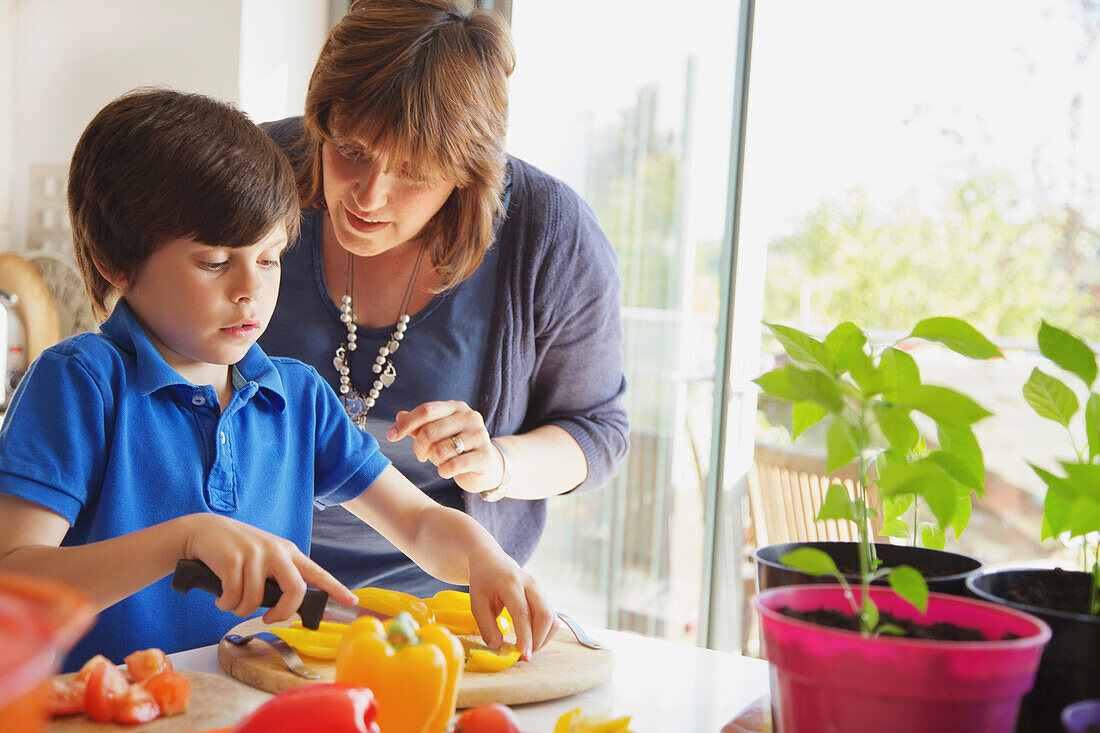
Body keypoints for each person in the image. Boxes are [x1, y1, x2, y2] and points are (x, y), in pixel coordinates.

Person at [0, 88, 555, 672]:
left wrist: (486, 561)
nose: (251, 289)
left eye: (269, 259)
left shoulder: (297, 399)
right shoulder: (80, 384)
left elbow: (417, 522)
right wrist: (181, 540)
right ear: (118, 263)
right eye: (215, 262)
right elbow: (14, 581)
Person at [259, 0, 630, 596]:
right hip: (248, 584)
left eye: (412, 171)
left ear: (466, 172)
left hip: (443, 601)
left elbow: (598, 432)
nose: (369, 196)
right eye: (349, 149)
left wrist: (497, 464)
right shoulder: (256, 172)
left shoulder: (548, 231)